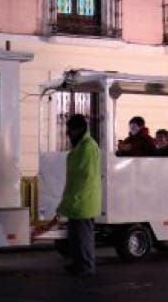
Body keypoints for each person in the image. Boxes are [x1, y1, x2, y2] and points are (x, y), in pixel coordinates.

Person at [39, 114, 101, 277]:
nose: (68, 133)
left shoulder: (87, 146)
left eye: (70, 129)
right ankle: (78, 264)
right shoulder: (81, 145)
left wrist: (72, 199)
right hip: (78, 199)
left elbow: (84, 177)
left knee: (83, 237)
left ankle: (87, 267)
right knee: (75, 237)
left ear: (79, 129)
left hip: (83, 200)